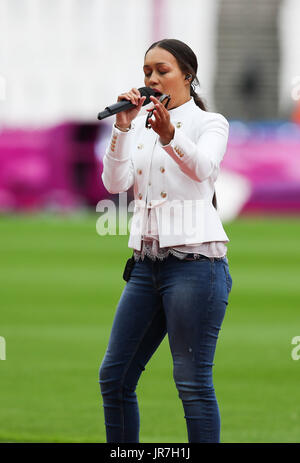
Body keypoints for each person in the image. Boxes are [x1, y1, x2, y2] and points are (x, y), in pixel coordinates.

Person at [99, 38, 233, 443]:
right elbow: (115, 183)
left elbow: (203, 169)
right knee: (115, 377)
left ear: (188, 77)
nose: (152, 79)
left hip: (195, 266)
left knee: (192, 385)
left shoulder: (211, 124)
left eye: (163, 70)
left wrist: (170, 134)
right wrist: (122, 130)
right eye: (146, 73)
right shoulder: (138, 124)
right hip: (145, 267)